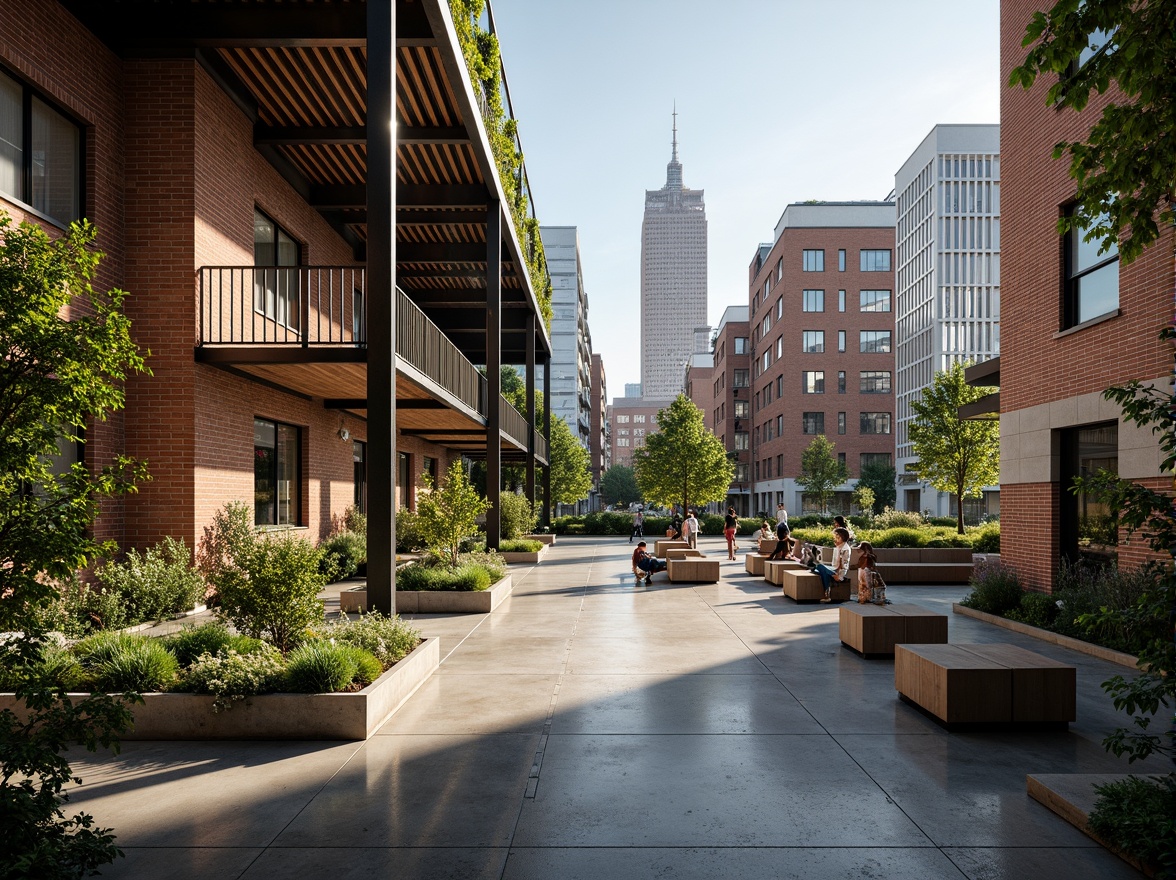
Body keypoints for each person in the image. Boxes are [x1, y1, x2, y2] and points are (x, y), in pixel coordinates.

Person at [814, 527, 852, 602]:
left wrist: (838, 574)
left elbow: (842, 563)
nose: (835, 539)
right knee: (819, 570)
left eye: (838, 537)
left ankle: (828, 590)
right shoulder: (839, 546)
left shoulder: (845, 548)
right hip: (834, 568)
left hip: (839, 570)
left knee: (820, 567)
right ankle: (827, 594)